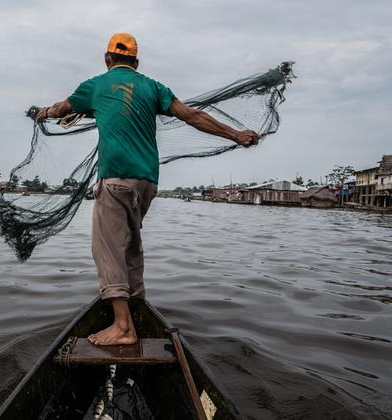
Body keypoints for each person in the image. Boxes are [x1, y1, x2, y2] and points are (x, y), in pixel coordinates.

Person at [36, 33, 259, 346]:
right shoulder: (154, 87)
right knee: (131, 242)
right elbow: (192, 115)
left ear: (107, 59)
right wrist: (235, 134)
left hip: (114, 179)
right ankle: (136, 302)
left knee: (108, 249)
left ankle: (124, 327)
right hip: (147, 182)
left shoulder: (95, 86)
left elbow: (62, 108)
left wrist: (43, 112)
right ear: (136, 63)